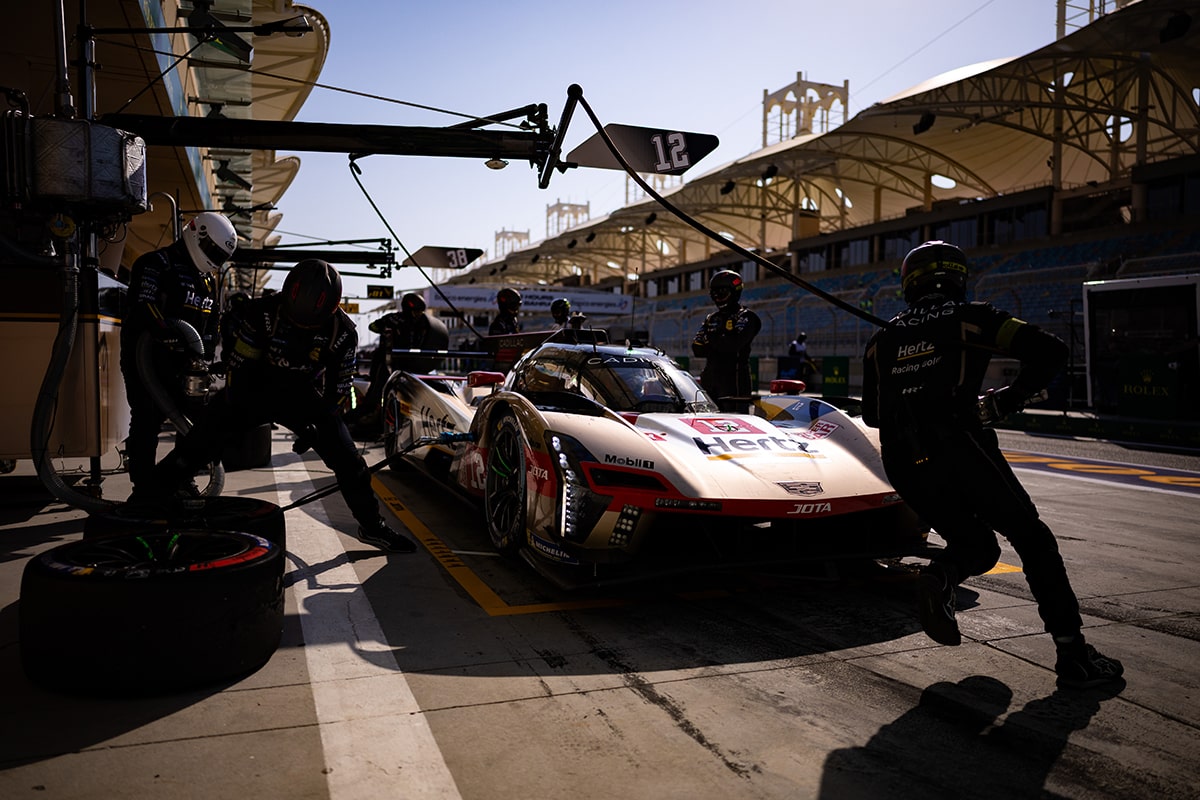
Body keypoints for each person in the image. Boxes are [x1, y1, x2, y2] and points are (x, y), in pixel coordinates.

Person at [861, 240, 1123, 689]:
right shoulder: (973, 318)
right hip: (961, 444)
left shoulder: (881, 340)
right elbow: (1052, 350)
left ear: (909, 283)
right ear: (958, 278)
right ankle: (1074, 656)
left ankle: (940, 577)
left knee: (979, 549)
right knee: (1034, 541)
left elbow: (872, 415)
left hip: (905, 462)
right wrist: (1009, 399)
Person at [152, 258, 416, 553]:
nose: (301, 327)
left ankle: (372, 526)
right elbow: (239, 372)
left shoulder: (342, 333)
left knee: (349, 459)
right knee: (203, 437)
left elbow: (337, 390)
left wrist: (317, 426)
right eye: (295, 321)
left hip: (303, 394)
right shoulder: (261, 312)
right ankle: (151, 497)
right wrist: (231, 418)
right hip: (255, 384)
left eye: (309, 324)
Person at [120, 211, 236, 493]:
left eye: (220, 257)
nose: (214, 261)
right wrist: (167, 333)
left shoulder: (207, 281)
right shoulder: (155, 264)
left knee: (194, 425)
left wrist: (207, 357)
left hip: (187, 366)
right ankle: (144, 487)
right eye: (213, 252)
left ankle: (182, 479)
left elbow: (212, 323)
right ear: (197, 233)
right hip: (147, 360)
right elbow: (143, 307)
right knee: (147, 421)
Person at [349, 292, 433, 427]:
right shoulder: (399, 320)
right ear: (409, 309)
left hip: (406, 365)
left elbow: (374, 327)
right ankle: (356, 421)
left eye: (420, 312)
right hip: (386, 363)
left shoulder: (407, 320)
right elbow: (372, 327)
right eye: (416, 311)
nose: (418, 315)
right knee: (376, 395)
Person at [691, 269, 761, 412]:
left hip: (734, 382)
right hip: (709, 381)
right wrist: (721, 338)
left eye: (721, 292)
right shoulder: (711, 318)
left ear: (734, 291)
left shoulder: (746, 317)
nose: (717, 297)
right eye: (713, 293)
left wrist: (712, 340)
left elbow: (733, 346)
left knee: (735, 422)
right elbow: (697, 349)